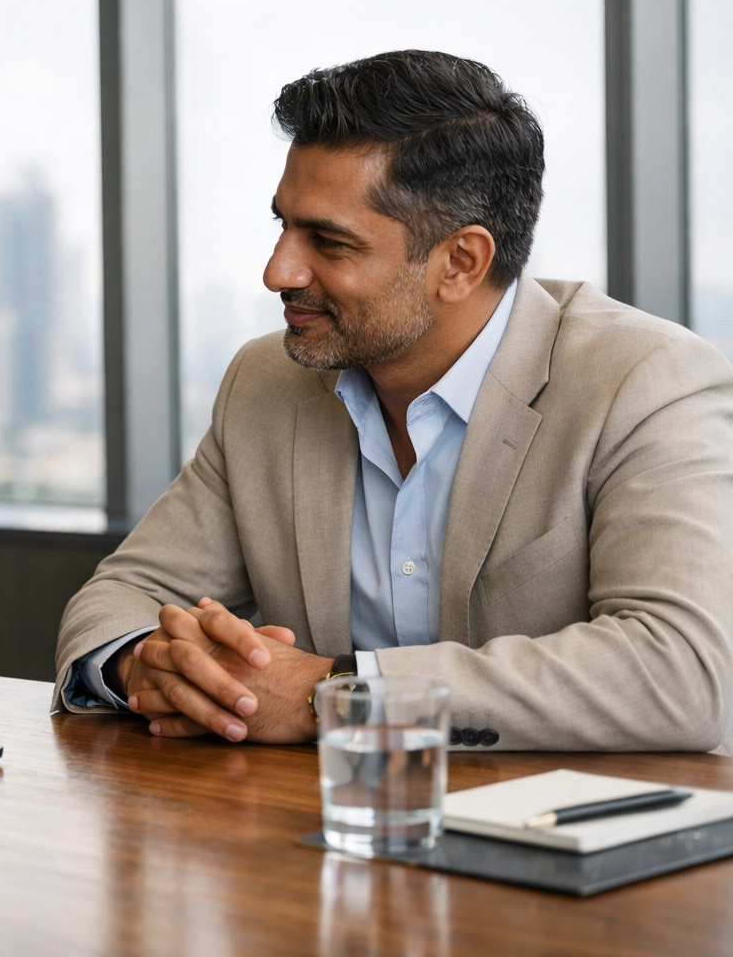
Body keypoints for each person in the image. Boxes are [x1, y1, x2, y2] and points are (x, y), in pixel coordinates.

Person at [55, 49, 733, 752]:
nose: (277, 271)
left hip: (571, 816)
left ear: (460, 262)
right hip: (319, 816)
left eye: (328, 242)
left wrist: (335, 695)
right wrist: (154, 667)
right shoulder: (266, 383)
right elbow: (121, 597)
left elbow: (681, 671)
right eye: (283, 225)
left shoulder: (647, 381)